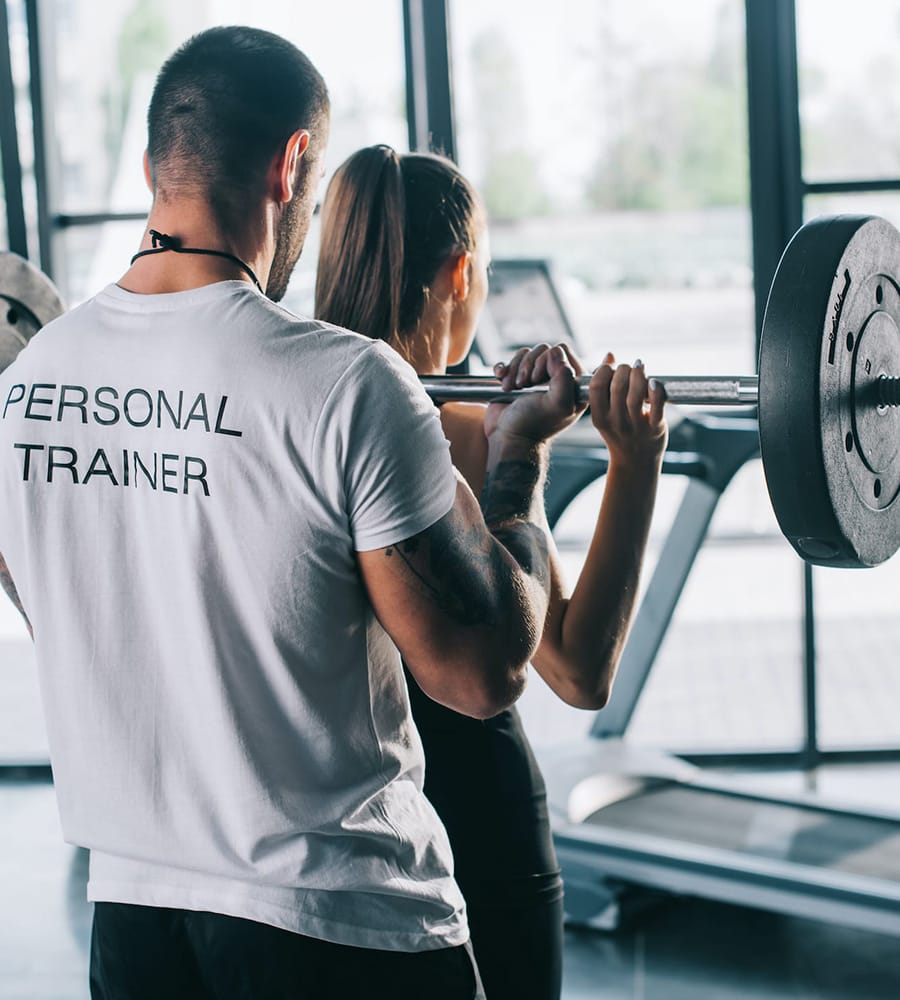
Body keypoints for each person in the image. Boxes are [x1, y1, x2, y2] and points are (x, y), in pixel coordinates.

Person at [0, 28, 587, 1000]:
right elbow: (482, 673)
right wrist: (520, 455)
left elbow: (65, 611)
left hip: (137, 929)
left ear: (152, 168)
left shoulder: (23, 393)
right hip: (344, 925)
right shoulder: (345, 383)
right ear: (291, 164)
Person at [315, 144, 669, 1000]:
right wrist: (635, 457)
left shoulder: (295, 416)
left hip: (331, 835)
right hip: (482, 819)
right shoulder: (475, 436)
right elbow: (579, 670)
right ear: (460, 272)